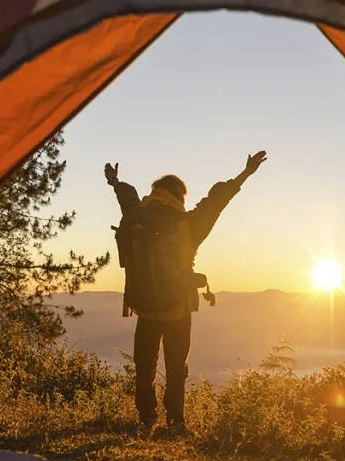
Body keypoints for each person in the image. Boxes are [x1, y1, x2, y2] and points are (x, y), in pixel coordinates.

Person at [104, 151, 267, 432]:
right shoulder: (189, 223)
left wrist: (114, 181)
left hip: (143, 307)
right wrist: (245, 174)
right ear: (179, 196)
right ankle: (175, 422)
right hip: (177, 309)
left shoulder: (135, 215)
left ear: (155, 192)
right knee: (176, 369)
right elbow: (218, 200)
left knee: (145, 367)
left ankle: (146, 419)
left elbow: (127, 196)